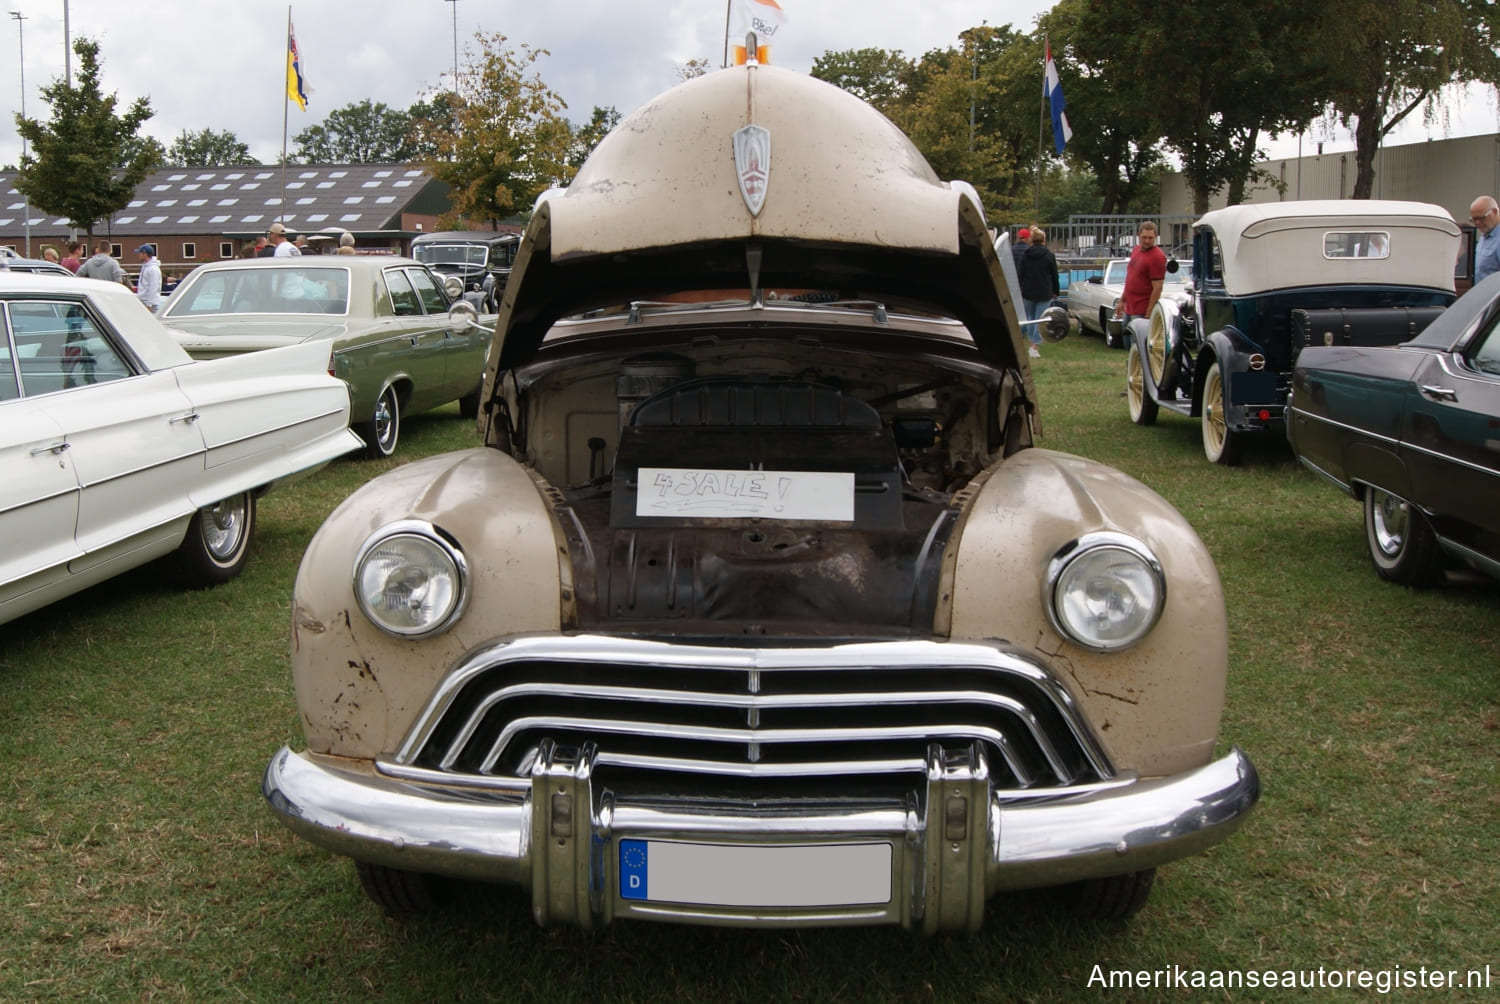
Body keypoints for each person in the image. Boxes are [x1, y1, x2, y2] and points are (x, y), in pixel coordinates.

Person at [1119, 220, 1168, 340]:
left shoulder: (1157, 257)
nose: (1147, 241)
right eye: (1144, 237)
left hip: (1141, 310)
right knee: (1127, 343)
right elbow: (1130, 279)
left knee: (1139, 346)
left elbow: (1158, 287)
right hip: (1130, 307)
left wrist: (1148, 313)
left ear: (1155, 236)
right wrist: (1122, 300)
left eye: (1150, 238)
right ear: (1138, 235)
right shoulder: (1136, 250)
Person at [1016, 228, 1060, 357]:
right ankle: (1034, 346)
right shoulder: (1049, 256)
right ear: (1044, 240)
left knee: (1030, 318)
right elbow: (1054, 275)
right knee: (1040, 319)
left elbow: (1020, 274)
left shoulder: (1026, 255)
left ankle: (1031, 342)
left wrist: (1020, 288)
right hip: (1044, 291)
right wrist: (1056, 290)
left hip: (1028, 290)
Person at [1470, 196, 1500, 284]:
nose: (1477, 223)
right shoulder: (1484, 236)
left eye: (1481, 218)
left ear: (1495, 212)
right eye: (1474, 219)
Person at [134, 245, 162, 312]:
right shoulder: (145, 267)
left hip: (149, 303)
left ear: (144, 254)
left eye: (140, 253)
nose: (138, 255)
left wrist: (149, 304)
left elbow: (153, 287)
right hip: (144, 301)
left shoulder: (153, 269)